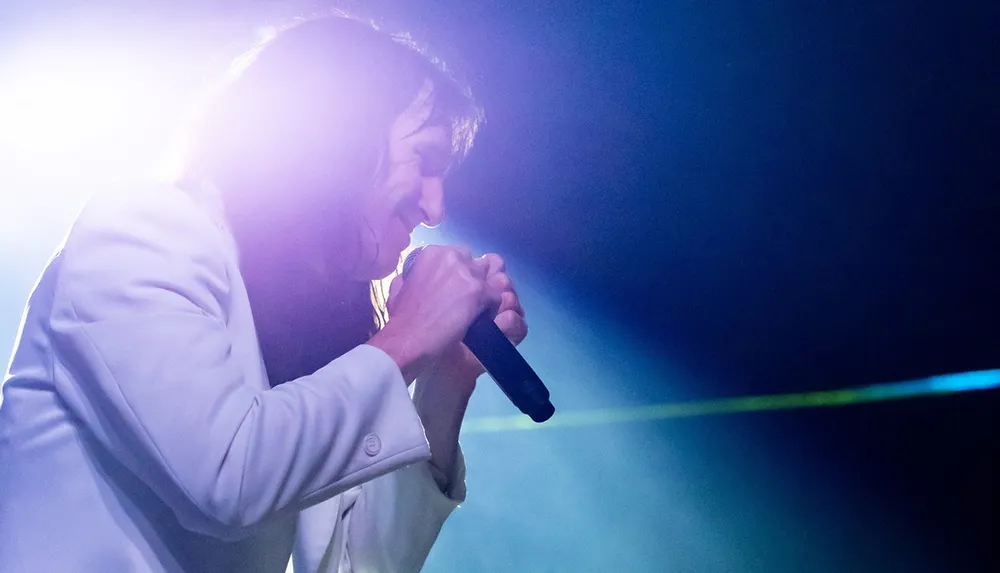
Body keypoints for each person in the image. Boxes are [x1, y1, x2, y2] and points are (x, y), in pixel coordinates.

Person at [0, 13, 528, 573]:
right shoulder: (142, 230)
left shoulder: (314, 320)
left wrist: (445, 382)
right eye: (424, 163)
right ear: (336, 141)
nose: (435, 207)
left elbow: (361, 565)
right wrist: (410, 334)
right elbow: (225, 478)